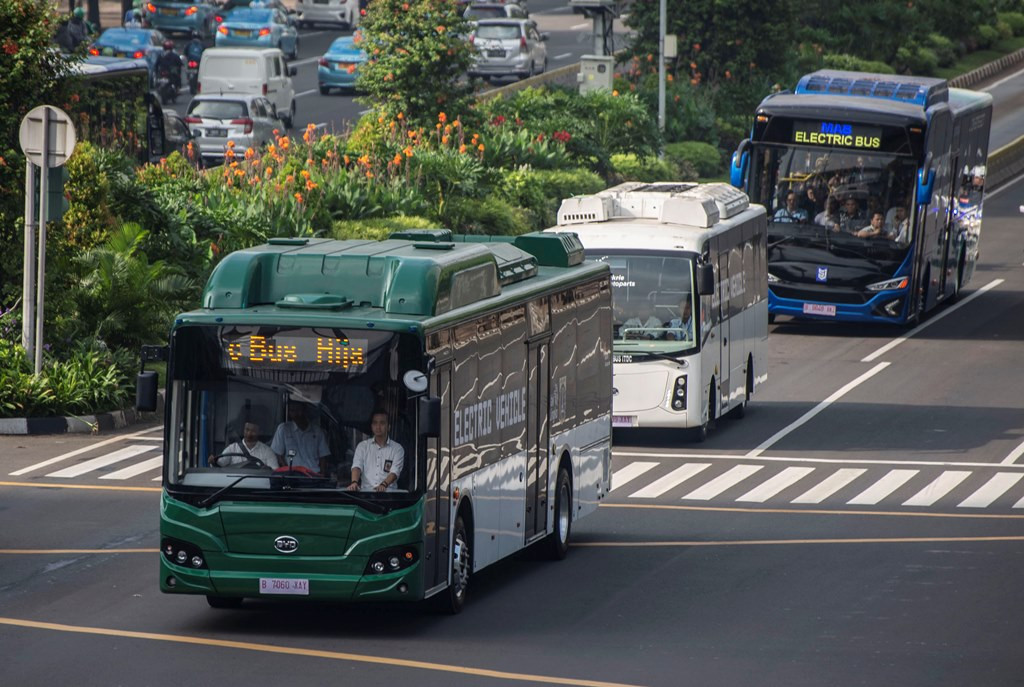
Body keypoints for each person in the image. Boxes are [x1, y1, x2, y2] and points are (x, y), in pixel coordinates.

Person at [348, 410, 405, 492]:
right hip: (365, 494)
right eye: (375, 423)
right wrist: (354, 482)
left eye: (382, 423)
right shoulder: (362, 446)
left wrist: (383, 485)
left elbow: (395, 471)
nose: (378, 427)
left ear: (388, 427)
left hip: (389, 495)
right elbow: (357, 466)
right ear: (371, 426)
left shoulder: (397, 448)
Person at [271, 401, 331, 474]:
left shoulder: (317, 431)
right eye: (292, 410)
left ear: (305, 410)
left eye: (298, 410)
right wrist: (287, 472)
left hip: (313, 474)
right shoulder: (283, 429)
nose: (296, 414)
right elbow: (278, 455)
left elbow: (323, 456)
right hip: (292, 475)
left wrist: (321, 475)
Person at [210, 421, 279, 468]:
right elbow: (219, 465)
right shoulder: (232, 448)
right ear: (243, 430)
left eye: (253, 431)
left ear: (259, 432)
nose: (249, 433)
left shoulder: (267, 451)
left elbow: (275, 472)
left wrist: (267, 470)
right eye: (247, 430)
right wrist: (213, 461)